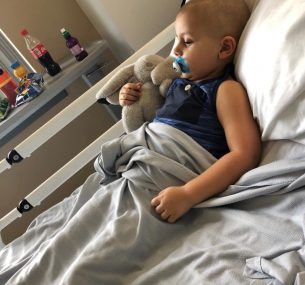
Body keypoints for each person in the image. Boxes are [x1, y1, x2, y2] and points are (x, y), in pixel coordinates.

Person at [119, 0, 261, 223]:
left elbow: (245, 154)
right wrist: (130, 95)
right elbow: (160, 123)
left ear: (224, 48)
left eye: (187, 41)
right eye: (177, 39)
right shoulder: (175, 84)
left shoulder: (225, 90)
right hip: (143, 160)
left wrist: (188, 194)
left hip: (173, 177)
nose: (175, 49)